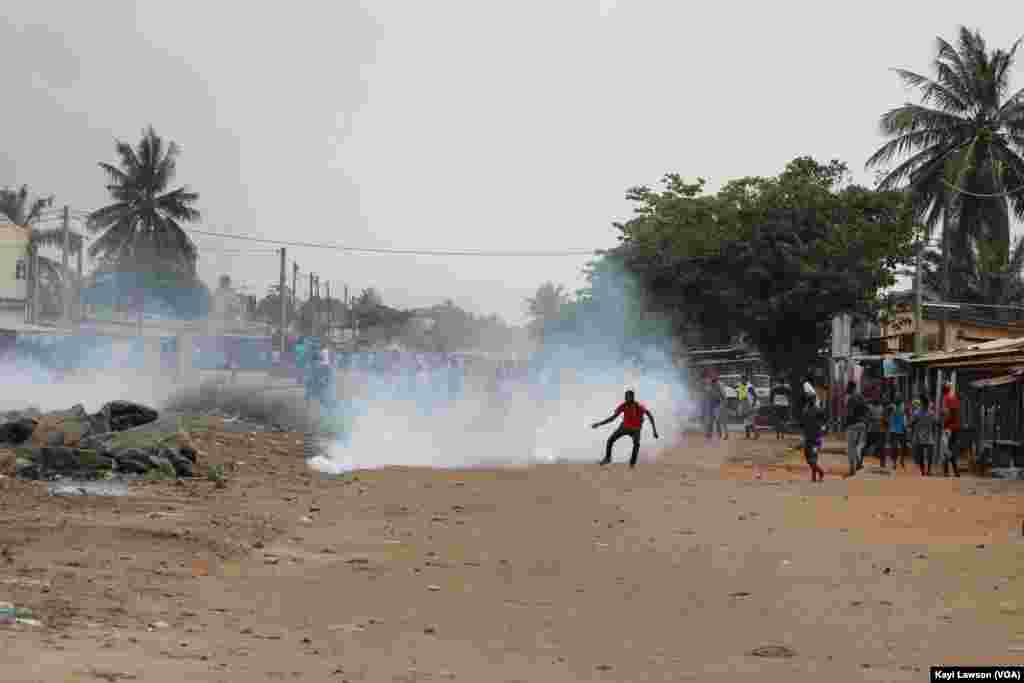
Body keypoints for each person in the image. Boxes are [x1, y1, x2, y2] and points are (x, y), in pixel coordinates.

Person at [592, 390, 659, 468]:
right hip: (624, 427)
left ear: (633, 397)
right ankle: (608, 458)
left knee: (636, 444)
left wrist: (654, 430)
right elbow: (612, 418)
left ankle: (632, 464)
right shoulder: (623, 405)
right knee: (610, 440)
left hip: (636, 429)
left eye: (629, 397)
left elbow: (649, 415)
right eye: (626, 397)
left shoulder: (639, 405)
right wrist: (599, 424)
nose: (627, 398)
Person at [844, 381, 869, 477]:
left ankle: (852, 469)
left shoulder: (849, 398)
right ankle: (859, 463)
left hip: (852, 425)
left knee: (851, 447)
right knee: (859, 446)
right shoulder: (861, 397)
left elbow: (848, 412)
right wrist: (865, 421)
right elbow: (867, 409)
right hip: (862, 425)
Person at [910, 395, 938, 476]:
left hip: (927, 435)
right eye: (924, 403)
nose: (924, 405)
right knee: (923, 454)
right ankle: (924, 470)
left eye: (925, 403)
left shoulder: (929, 412)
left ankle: (927, 470)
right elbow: (912, 422)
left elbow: (935, 422)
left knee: (928, 454)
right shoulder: (918, 412)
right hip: (920, 435)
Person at [801, 400, 826, 482]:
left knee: (811, 458)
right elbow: (824, 423)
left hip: (812, 438)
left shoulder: (807, 412)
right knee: (812, 457)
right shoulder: (816, 411)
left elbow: (802, 425)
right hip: (814, 438)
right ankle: (816, 475)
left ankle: (818, 473)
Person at [941, 382, 962, 478]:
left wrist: (943, 424)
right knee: (950, 449)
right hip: (955, 428)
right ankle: (956, 471)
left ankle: (946, 472)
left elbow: (948, 414)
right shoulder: (954, 399)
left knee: (945, 450)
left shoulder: (946, 398)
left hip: (949, 428)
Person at [887, 393, 908, 470]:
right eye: (896, 398)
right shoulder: (892, 406)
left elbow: (905, 415)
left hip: (902, 429)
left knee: (903, 446)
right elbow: (887, 412)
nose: (897, 399)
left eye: (899, 398)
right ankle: (894, 462)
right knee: (894, 447)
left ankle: (902, 460)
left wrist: (905, 426)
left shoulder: (903, 406)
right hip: (893, 430)